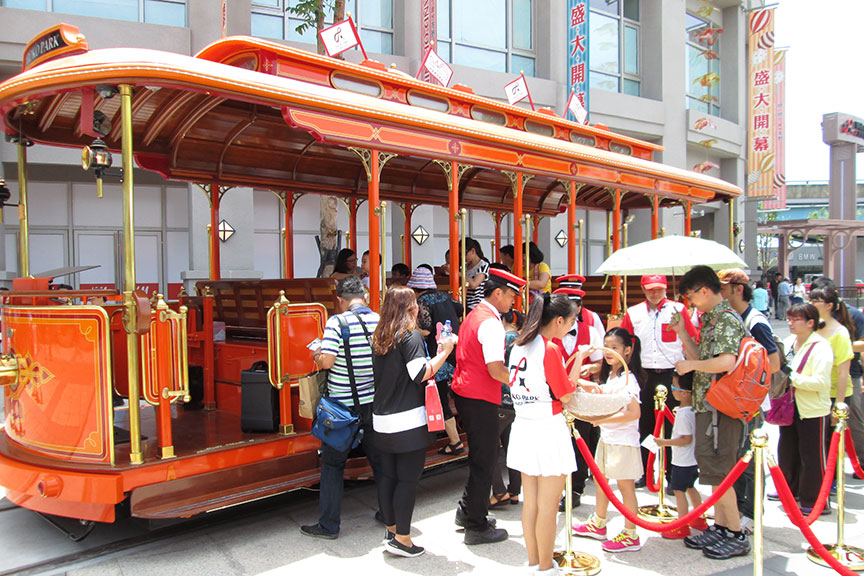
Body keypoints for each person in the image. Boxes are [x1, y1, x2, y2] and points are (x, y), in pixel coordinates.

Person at [371, 285, 457, 557]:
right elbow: (420, 372)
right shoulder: (409, 336)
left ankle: (391, 530)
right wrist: (444, 351)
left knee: (387, 478)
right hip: (407, 421)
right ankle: (403, 539)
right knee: (407, 481)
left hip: (381, 419)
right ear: (411, 308)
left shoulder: (380, 336)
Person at [671, 265, 749, 560]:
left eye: (690, 295)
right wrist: (681, 332)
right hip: (709, 406)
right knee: (713, 471)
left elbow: (726, 362)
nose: (690, 302)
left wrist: (692, 367)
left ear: (704, 290)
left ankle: (735, 533)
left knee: (721, 471)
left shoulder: (726, 320)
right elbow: (701, 356)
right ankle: (722, 526)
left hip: (722, 408)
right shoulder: (710, 320)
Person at [451, 267, 527, 545]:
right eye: (510, 297)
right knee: (484, 460)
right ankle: (476, 525)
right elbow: (496, 369)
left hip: (468, 392)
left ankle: (468, 511)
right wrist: (522, 382)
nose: (512, 303)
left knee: (481, 457)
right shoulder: (491, 323)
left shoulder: (476, 315)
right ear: (497, 293)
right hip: (480, 396)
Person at [302, 276, 381, 539]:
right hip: (371, 403)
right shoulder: (377, 319)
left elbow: (327, 362)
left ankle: (329, 525)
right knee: (380, 462)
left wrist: (316, 354)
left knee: (333, 466)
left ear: (339, 300)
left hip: (341, 409)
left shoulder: (337, 322)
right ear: (364, 296)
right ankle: (389, 514)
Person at [506, 293, 580, 573]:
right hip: (547, 430)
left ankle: (535, 561)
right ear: (558, 320)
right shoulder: (549, 349)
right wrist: (578, 366)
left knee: (531, 503)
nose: (570, 327)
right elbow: (566, 394)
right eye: (570, 322)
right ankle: (546, 567)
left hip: (524, 425)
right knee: (549, 507)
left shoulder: (518, 345)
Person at [717, 268, 781, 534]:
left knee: (748, 459)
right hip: (735, 399)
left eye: (723, 287)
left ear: (738, 289)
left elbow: (774, 362)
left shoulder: (755, 321)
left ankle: (752, 513)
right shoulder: (732, 318)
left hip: (750, 402)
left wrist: (743, 373)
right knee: (736, 460)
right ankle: (739, 510)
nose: (720, 292)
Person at [571, 328, 644, 553]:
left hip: (623, 441)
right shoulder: (613, 375)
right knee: (602, 482)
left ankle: (630, 534)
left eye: (615, 348)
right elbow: (609, 399)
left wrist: (602, 418)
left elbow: (634, 413)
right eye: (607, 347)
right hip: (609, 437)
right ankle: (599, 523)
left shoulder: (628, 379)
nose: (609, 352)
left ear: (627, 350)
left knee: (625, 487)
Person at [621, 274, 698, 487]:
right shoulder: (633, 312)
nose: (655, 293)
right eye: (650, 289)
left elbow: (691, 338)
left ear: (665, 289)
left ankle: (672, 472)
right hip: (644, 373)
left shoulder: (678, 310)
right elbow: (625, 342)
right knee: (644, 424)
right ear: (644, 290)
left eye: (659, 289)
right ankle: (646, 471)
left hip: (672, 373)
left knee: (675, 423)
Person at [552, 277, 604, 511]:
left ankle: (575, 489)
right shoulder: (551, 334)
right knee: (559, 443)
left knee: (578, 441)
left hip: (579, 394)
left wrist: (587, 369)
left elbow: (599, 364)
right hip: (555, 396)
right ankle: (559, 487)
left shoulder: (590, 331)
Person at [777, 303, 832, 516]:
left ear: (811, 323)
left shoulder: (821, 346)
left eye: (796, 319)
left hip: (812, 409)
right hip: (790, 407)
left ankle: (814, 500)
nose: (790, 323)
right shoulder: (791, 342)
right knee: (787, 452)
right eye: (789, 318)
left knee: (812, 457)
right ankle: (790, 492)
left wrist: (790, 377)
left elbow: (820, 381)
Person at [407, 266, 464, 456]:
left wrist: (410, 326)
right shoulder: (444, 296)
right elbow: (460, 308)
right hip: (453, 353)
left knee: (439, 399)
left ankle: (455, 442)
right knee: (454, 396)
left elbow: (426, 330)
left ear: (416, 288)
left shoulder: (422, 300)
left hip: (436, 355)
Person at [812, 276, 864, 464]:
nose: (813, 303)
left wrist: (842, 347)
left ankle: (859, 463)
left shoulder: (851, 318)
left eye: (818, 299)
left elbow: (861, 346)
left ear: (830, 302)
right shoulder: (812, 321)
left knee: (853, 423)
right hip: (819, 386)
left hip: (849, 376)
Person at [653, 376, 708, 540]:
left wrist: (664, 442)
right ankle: (699, 517)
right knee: (690, 487)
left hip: (682, 461)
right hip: (691, 459)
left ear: (684, 393)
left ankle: (681, 524)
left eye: (675, 387)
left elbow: (686, 439)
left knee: (679, 491)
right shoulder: (690, 410)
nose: (672, 390)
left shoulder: (684, 414)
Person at [490, 307, 524, 508]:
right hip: (518, 400)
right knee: (512, 447)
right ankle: (514, 491)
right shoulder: (523, 339)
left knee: (490, 447)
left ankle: (499, 491)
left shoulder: (504, 339)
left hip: (502, 398)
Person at [463, 237, 489, 312]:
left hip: (477, 304)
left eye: (464, 253)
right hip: (465, 303)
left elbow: (474, 284)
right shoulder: (465, 267)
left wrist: (460, 274)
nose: (462, 257)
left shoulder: (483, 265)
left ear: (472, 251)